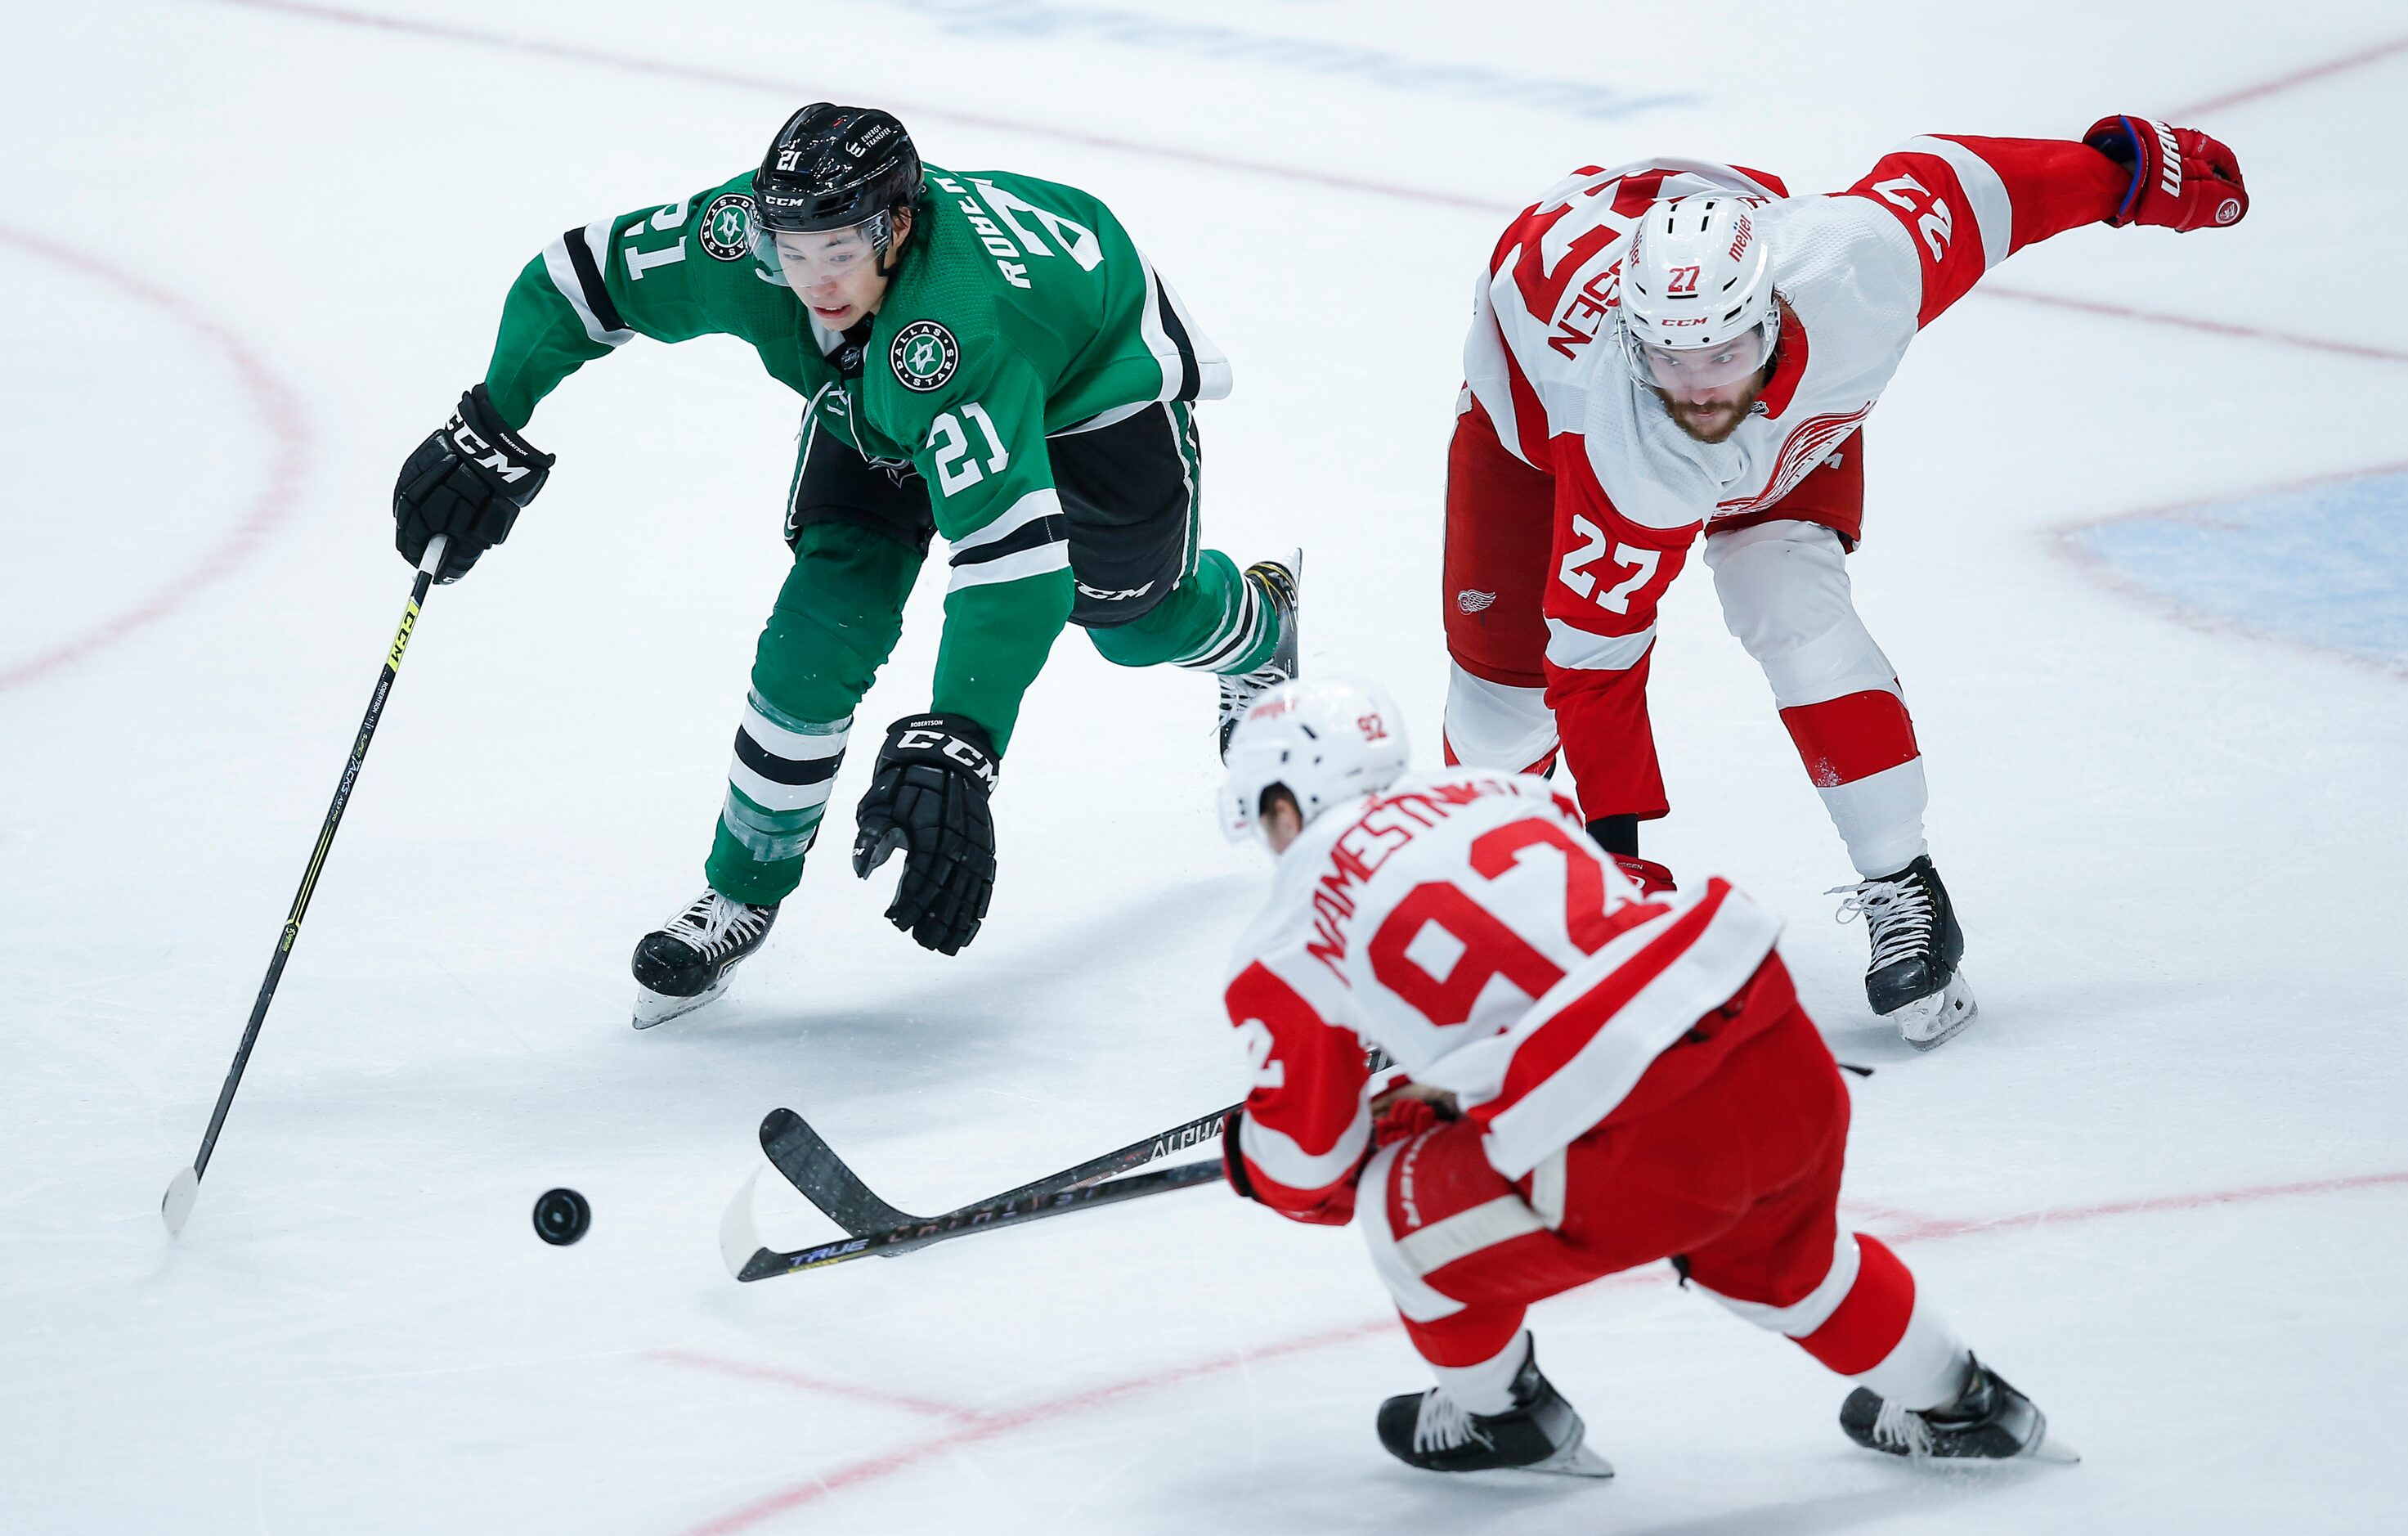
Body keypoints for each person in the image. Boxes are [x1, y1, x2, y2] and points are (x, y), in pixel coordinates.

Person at [389, 105, 1298, 1026]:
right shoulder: (735, 239)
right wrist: (489, 427)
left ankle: (1260, 623)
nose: (815, 282)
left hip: (1086, 392)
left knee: (1134, 621)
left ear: (895, 227)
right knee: (815, 636)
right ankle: (742, 891)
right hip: (882, 399)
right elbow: (578, 280)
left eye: (840, 252)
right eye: (793, 250)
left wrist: (960, 741)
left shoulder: (962, 325)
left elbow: (1013, 564)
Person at [1441, 117, 2248, 1047]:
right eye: (1669, 361)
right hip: (1528, 419)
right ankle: (1490, 909)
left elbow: (1978, 188)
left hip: (1782, 417)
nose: (1699, 393)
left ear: (1768, 313)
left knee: (1789, 605)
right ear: (1635, 347)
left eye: (1719, 356)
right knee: (1505, 706)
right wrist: (1619, 877)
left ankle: (1902, 881)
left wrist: (2126, 172)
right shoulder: (1619, 429)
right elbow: (1596, 665)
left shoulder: (1852, 269)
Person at [1214, 677, 2068, 1476]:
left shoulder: (1285, 928)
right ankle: (1967, 1405)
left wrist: (1261, 1153)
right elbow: (1553, 958)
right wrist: (1458, 1081)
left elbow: (1308, 1168)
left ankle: (1498, 1418)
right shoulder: (1499, 792)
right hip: (1764, 1036)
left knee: (1393, 1210)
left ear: (1286, 801)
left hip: (1634, 1138)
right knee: (1788, 1259)